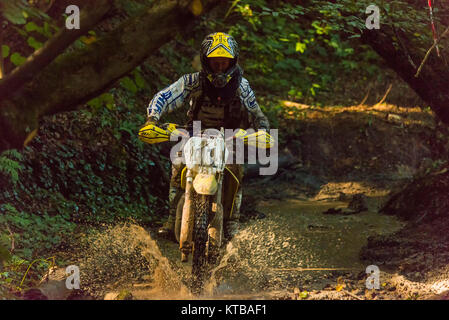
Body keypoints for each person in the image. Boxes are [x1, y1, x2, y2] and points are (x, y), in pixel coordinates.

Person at [143, 32, 270, 241]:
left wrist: (262, 129)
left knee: (236, 166)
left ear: (233, 62)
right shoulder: (192, 81)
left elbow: (255, 111)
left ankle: (231, 221)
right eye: (215, 63)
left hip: (229, 135)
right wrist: (152, 119)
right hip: (194, 132)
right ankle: (171, 217)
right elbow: (165, 96)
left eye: (224, 63)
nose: (220, 68)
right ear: (205, 62)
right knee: (178, 163)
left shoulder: (241, 85)